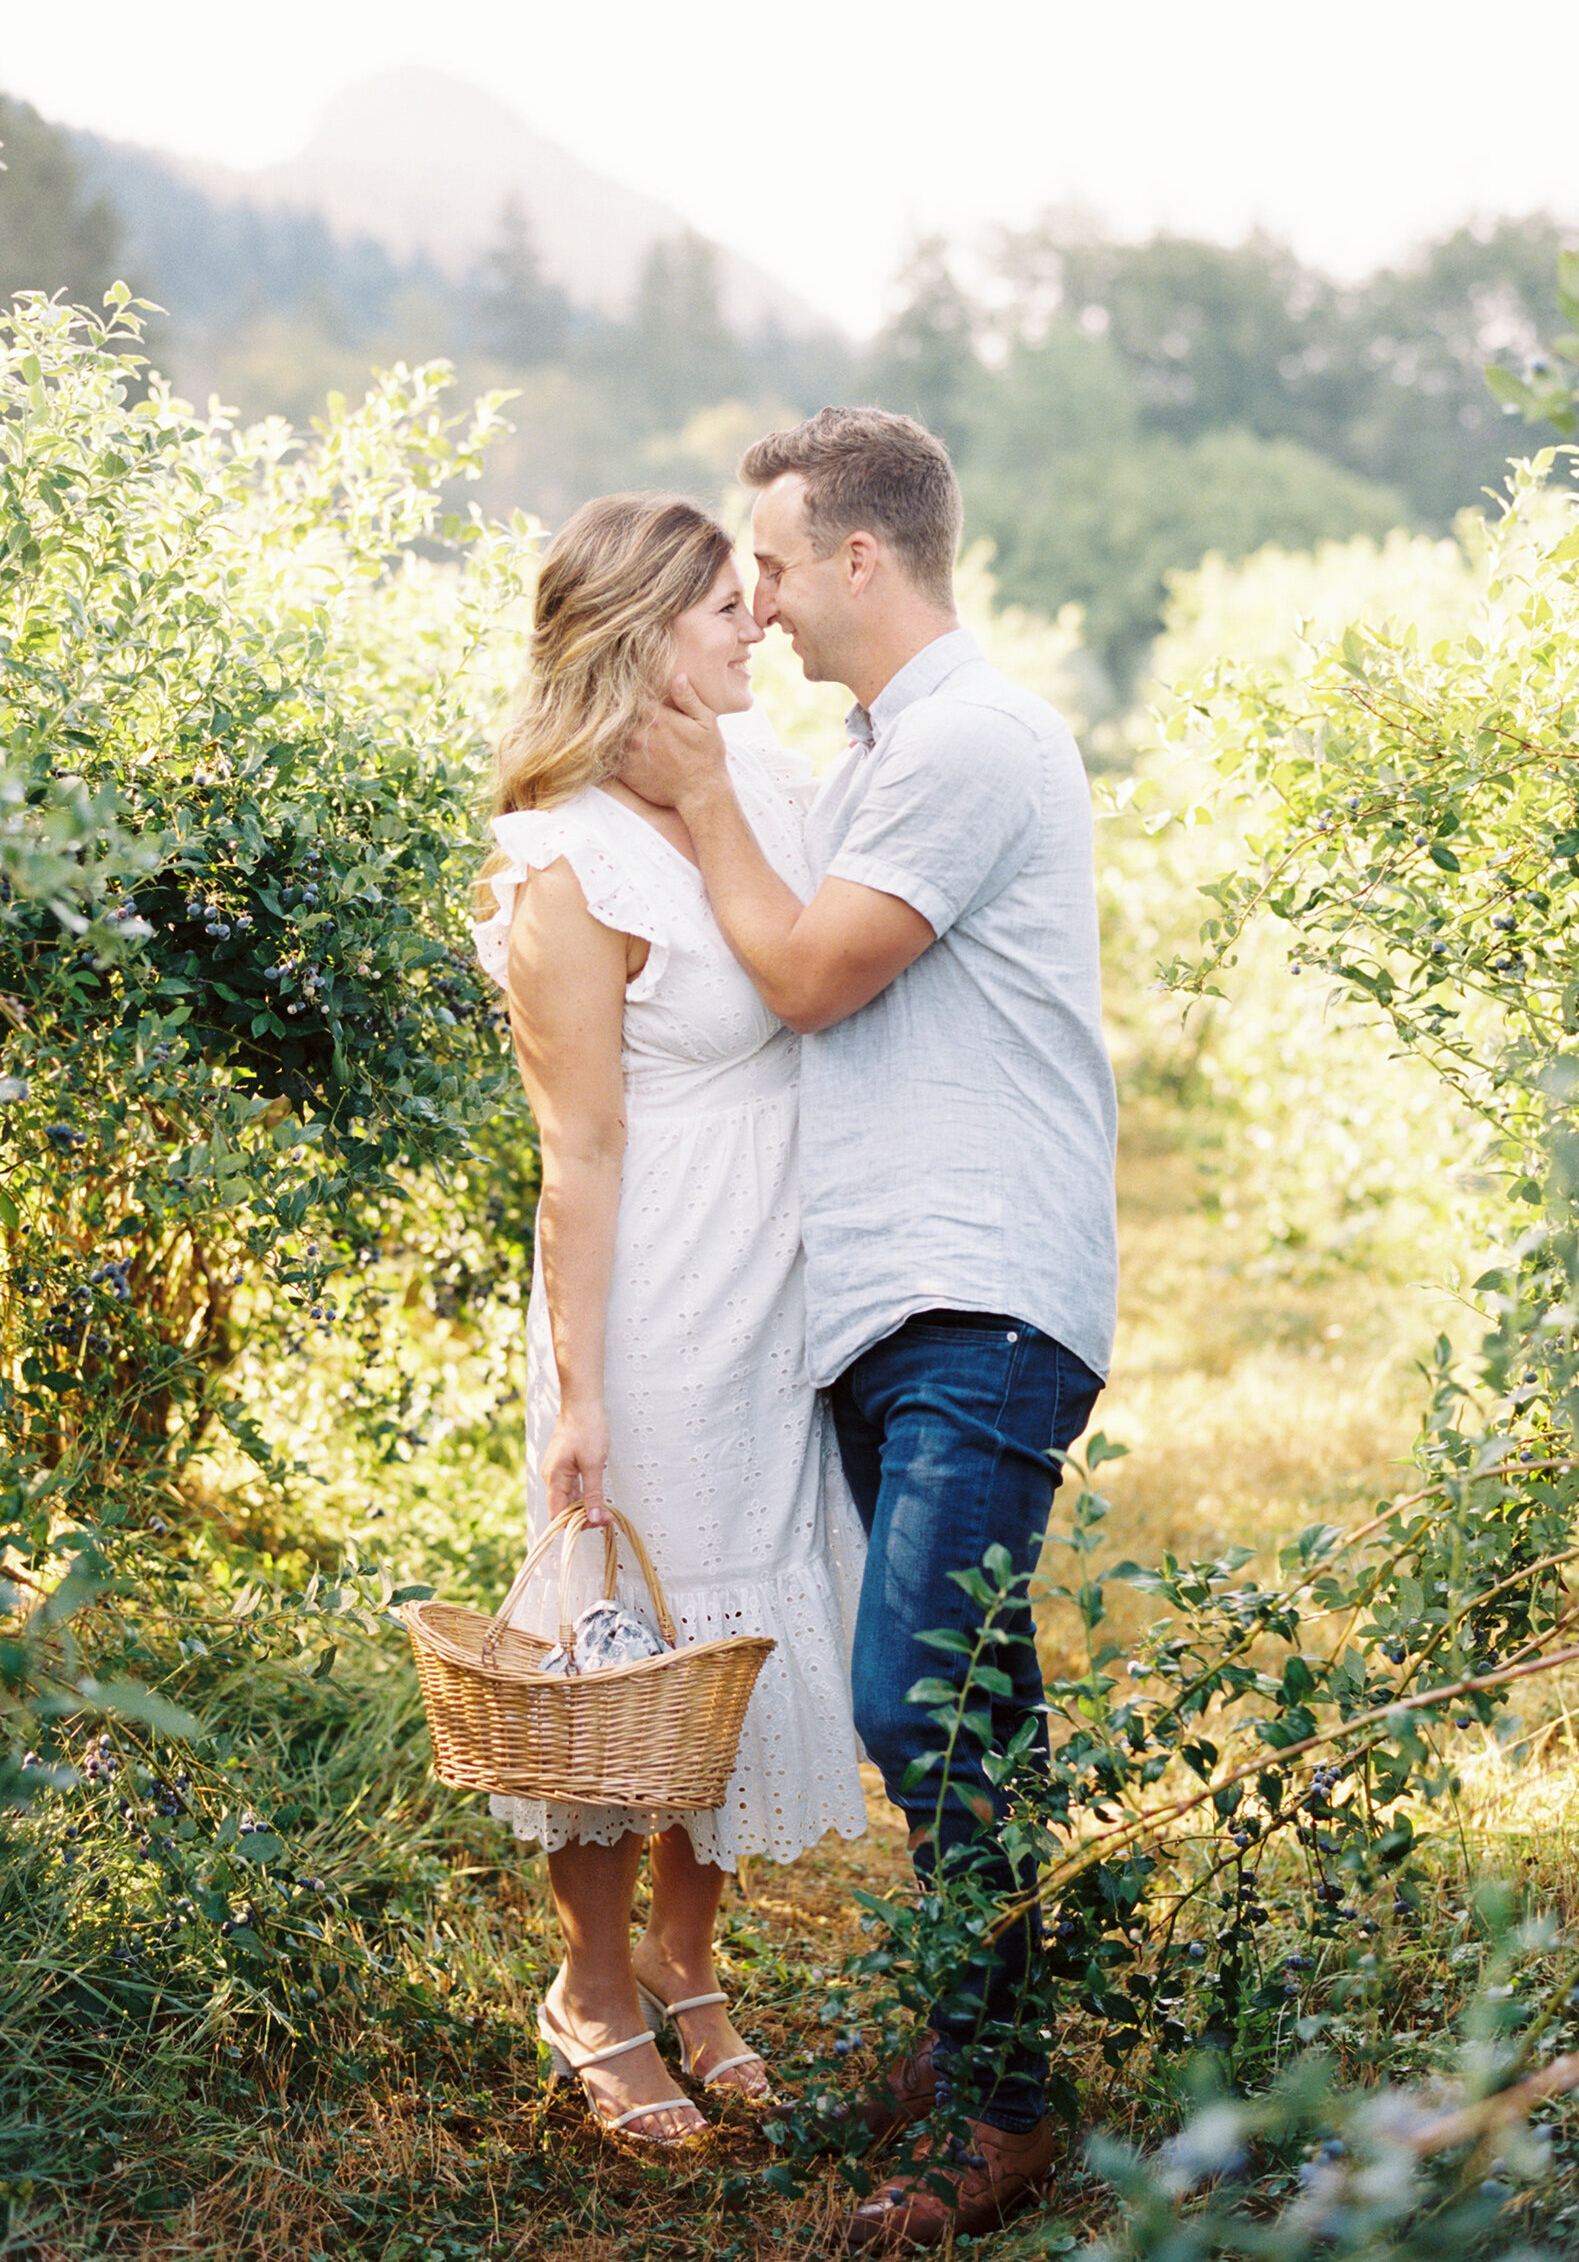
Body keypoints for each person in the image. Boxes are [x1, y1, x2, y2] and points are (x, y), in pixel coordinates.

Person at [621, 408, 1117, 2249]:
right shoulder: (886, 744)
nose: (748, 600)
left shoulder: (974, 738)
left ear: (855, 556)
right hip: (895, 1294)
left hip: (977, 1288)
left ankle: (996, 2113)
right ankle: (979, 2030)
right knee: (970, 1694)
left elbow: (817, 971)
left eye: (763, 562)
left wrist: (686, 800)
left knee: (923, 1689)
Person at [474, 492, 869, 2150]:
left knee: (738, 1647)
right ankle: (591, 1983)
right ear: (641, 633)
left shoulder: (760, 777)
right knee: (622, 1654)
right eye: (725, 605)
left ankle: (690, 1966)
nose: (757, 623)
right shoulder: (564, 857)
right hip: (656, 1294)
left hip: (784, 1287)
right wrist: (579, 1391)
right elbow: (577, 1148)